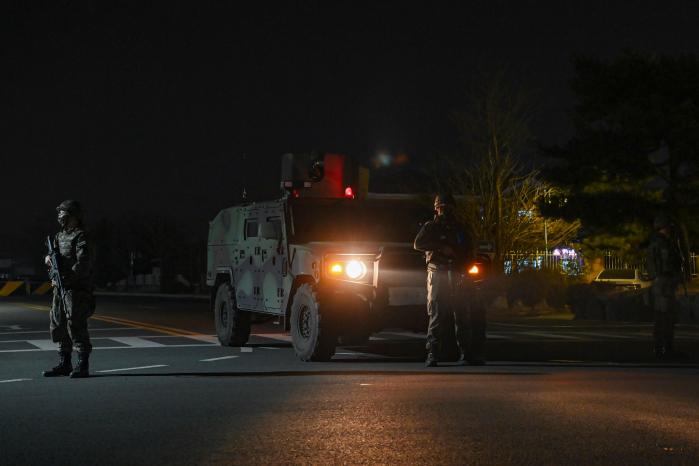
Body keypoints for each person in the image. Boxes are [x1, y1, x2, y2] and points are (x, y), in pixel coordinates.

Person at [414, 192, 484, 367]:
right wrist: (441, 247)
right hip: (438, 273)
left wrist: (465, 267)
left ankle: (467, 354)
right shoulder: (431, 227)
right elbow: (418, 244)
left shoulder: (460, 228)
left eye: (448, 208)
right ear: (437, 209)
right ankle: (432, 353)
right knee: (437, 315)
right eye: (442, 208)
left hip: (458, 273)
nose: (445, 211)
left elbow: (469, 250)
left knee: (463, 315)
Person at [43, 200, 96, 378]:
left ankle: (83, 363)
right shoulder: (58, 237)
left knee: (75, 322)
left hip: (75, 288)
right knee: (58, 322)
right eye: (60, 215)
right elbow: (53, 258)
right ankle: (65, 362)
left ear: (74, 216)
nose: (61, 218)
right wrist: (48, 260)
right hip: (60, 286)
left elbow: (83, 263)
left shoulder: (81, 236)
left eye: (64, 215)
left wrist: (69, 278)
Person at [646, 213, 685, 359]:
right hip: (663, 283)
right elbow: (664, 264)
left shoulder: (660, 242)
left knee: (664, 316)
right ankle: (664, 348)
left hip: (663, 283)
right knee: (665, 317)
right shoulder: (661, 243)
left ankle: (663, 348)